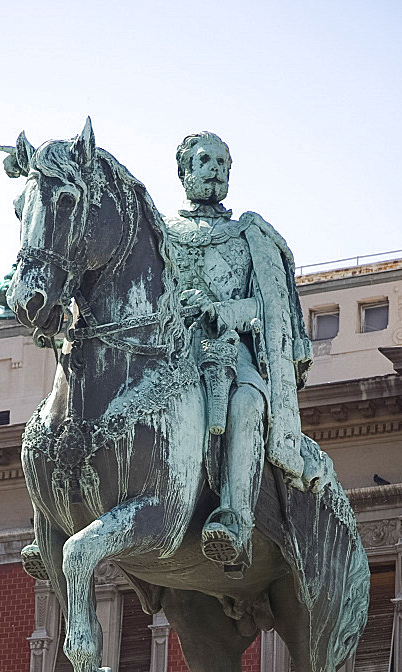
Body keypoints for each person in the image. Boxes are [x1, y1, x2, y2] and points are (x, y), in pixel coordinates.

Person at [166, 132, 313, 575]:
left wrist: (220, 310)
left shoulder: (248, 234)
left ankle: (234, 518)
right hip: (168, 352)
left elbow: (270, 307)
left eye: (223, 163)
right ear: (184, 171)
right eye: (204, 160)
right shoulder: (161, 231)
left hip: (231, 354)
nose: (215, 169)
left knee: (248, 403)